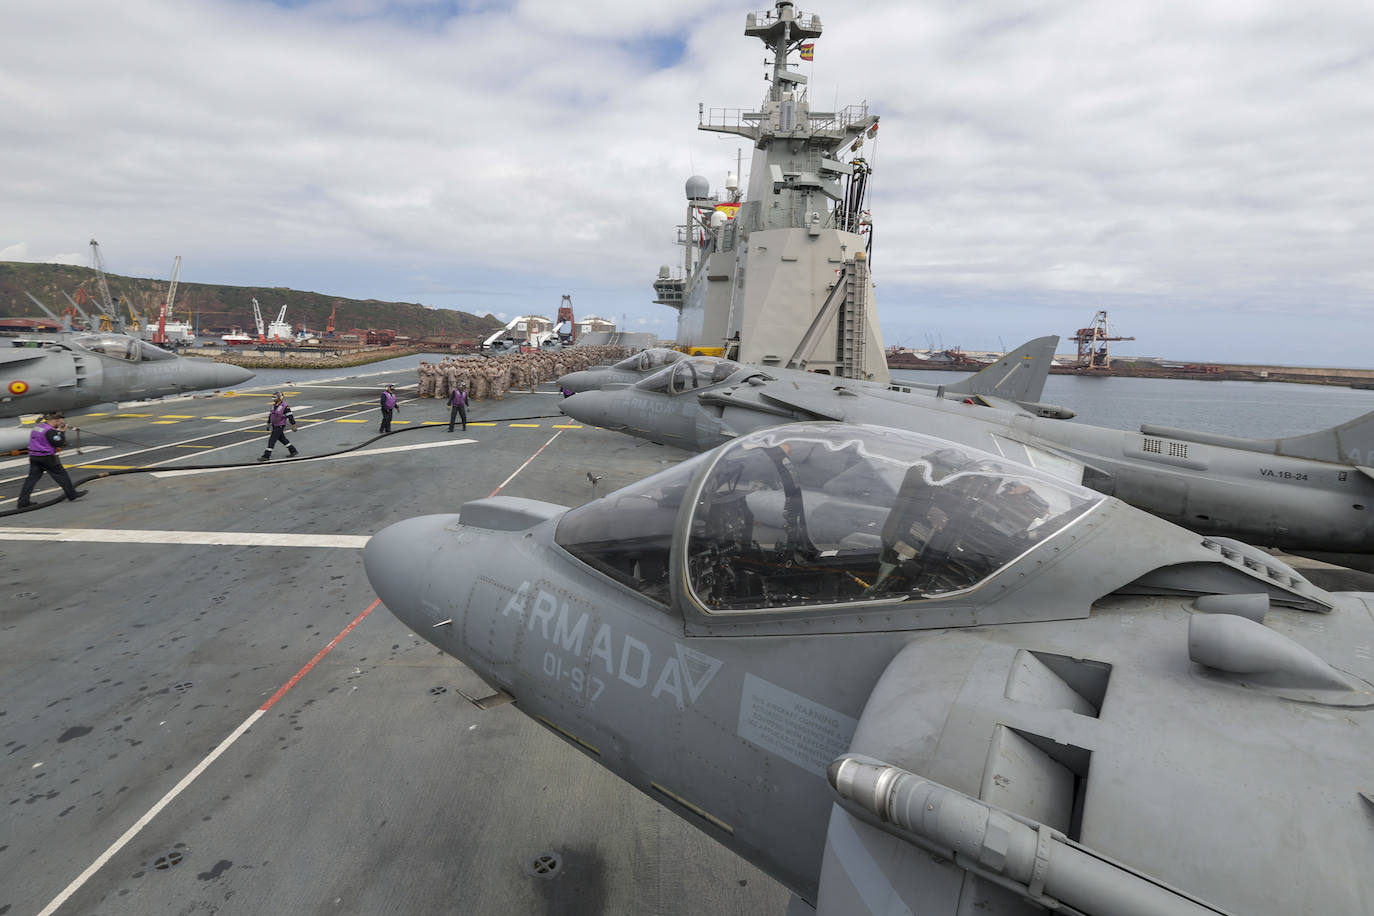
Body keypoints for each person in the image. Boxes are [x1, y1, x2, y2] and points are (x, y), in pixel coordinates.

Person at [16, 412, 84, 507]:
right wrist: (61, 432)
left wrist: (57, 431)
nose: (61, 424)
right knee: (62, 475)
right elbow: (59, 443)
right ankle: (72, 494)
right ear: (55, 420)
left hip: (34, 456)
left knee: (31, 479)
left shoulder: (38, 427)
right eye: (60, 422)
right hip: (47, 457)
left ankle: (23, 501)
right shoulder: (50, 431)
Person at [258, 392, 298, 462]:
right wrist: (268, 423)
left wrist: (293, 425)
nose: (273, 398)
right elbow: (271, 415)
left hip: (280, 425)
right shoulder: (274, 406)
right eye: (273, 397)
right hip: (274, 425)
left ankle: (266, 456)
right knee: (282, 439)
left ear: (280, 398)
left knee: (272, 440)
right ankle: (293, 450)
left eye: (275, 397)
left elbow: (290, 416)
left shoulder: (285, 406)